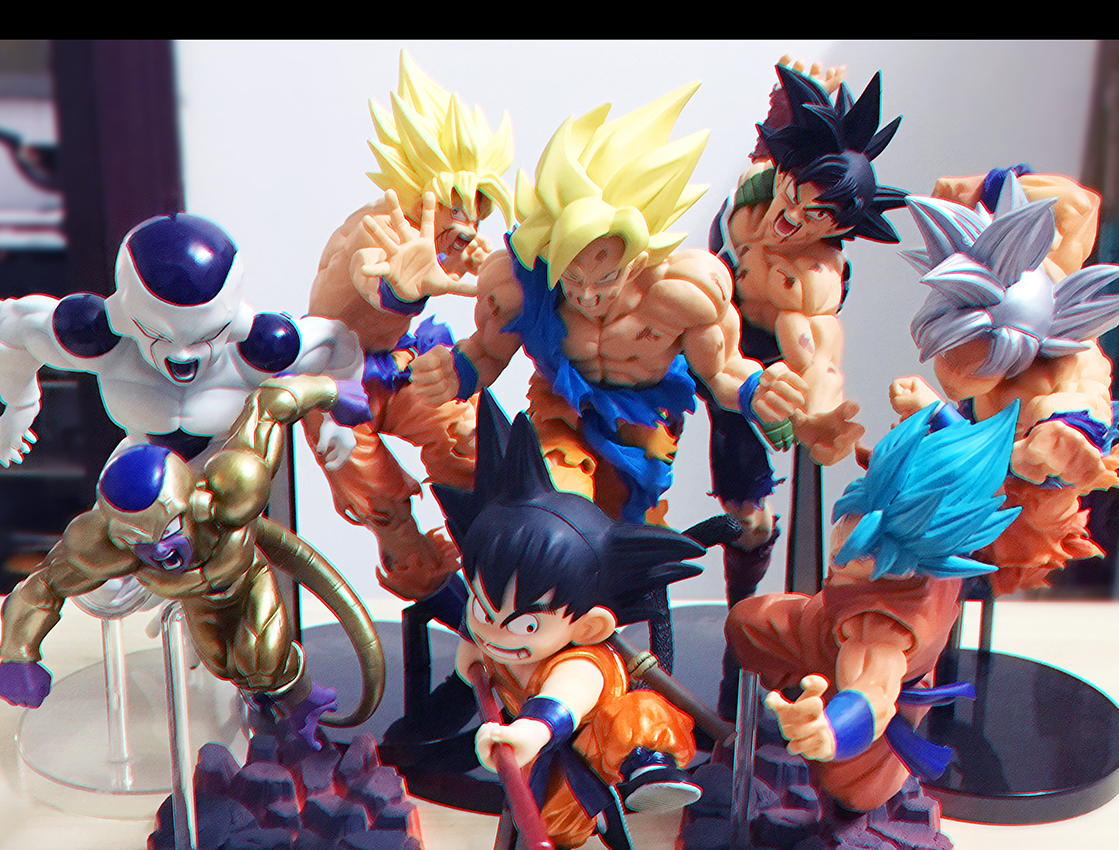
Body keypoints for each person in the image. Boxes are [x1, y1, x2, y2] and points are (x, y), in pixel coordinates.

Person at [408, 84, 805, 530]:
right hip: (561, 404)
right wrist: (454, 371)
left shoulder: (684, 291)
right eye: (572, 278)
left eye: (605, 279)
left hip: (644, 419)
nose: (587, 296)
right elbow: (487, 352)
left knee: (625, 535)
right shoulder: (519, 282)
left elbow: (722, 371)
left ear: (637, 261)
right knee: (553, 513)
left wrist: (758, 389)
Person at [0, 371, 380, 733]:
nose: (158, 551)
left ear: (193, 504)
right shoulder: (108, 547)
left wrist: (330, 390)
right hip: (199, 602)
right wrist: (18, 652)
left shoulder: (231, 491)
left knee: (259, 658)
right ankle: (265, 704)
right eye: (139, 541)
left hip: (245, 578)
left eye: (166, 531)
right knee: (224, 666)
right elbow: (42, 586)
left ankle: (300, 699)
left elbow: (269, 406)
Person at [431, 395, 706, 850]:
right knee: (551, 824)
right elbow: (484, 623)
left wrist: (530, 731)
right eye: (483, 607)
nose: (497, 632)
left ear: (589, 624)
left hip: (592, 737)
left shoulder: (582, 663)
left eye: (527, 623)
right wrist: (471, 641)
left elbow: (563, 699)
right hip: (551, 756)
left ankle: (648, 770)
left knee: (638, 717)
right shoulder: (499, 634)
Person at [728, 400, 1021, 813]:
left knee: (851, 790)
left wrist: (829, 731)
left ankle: (860, 745)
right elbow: (961, 453)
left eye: (859, 560)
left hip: (865, 671)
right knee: (748, 623)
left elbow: (875, 689)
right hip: (818, 624)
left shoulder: (885, 626)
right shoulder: (911, 511)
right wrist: (936, 411)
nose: (842, 554)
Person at [307, 52, 516, 601]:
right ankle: (421, 575)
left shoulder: (443, 240)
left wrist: (491, 276)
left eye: (478, 210)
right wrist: (399, 289)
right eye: (458, 206)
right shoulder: (372, 227)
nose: (468, 224)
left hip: (398, 365)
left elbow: (457, 281)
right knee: (379, 498)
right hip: (334, 381)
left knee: (468, 440)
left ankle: (491, 566)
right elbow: (368, 273)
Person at [705, 60, 907, 601]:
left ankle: (744, 600)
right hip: (701, 338)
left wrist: (818, 414)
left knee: (748, 518)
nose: (796, 217)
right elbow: (773, 146)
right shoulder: (761, 185)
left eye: (819, 216)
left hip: (760, 363)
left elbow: (818, 351)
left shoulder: (813, 275)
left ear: (841, 226)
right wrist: (797, 98)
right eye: (797, 195)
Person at [889, 170, 1119, 592]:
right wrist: (993, 187)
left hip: (1035, 471)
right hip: (1008, 465)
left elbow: (1080, 206)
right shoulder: (1015, 280)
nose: (953, 374)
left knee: (1045, 432)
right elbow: (1080, 206)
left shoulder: (1063, 365)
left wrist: (1061, 437)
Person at [0, 212, 365, 473]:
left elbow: (338, 342)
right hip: (137, 486)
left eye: (204, 337)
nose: (183, 355)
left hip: (230, 490)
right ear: (126, 317)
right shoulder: (99, 338)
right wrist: (20, 403)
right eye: (160, 336)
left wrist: (340, 421)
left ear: (233, 322)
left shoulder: (263, 348)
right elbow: (9, 325)